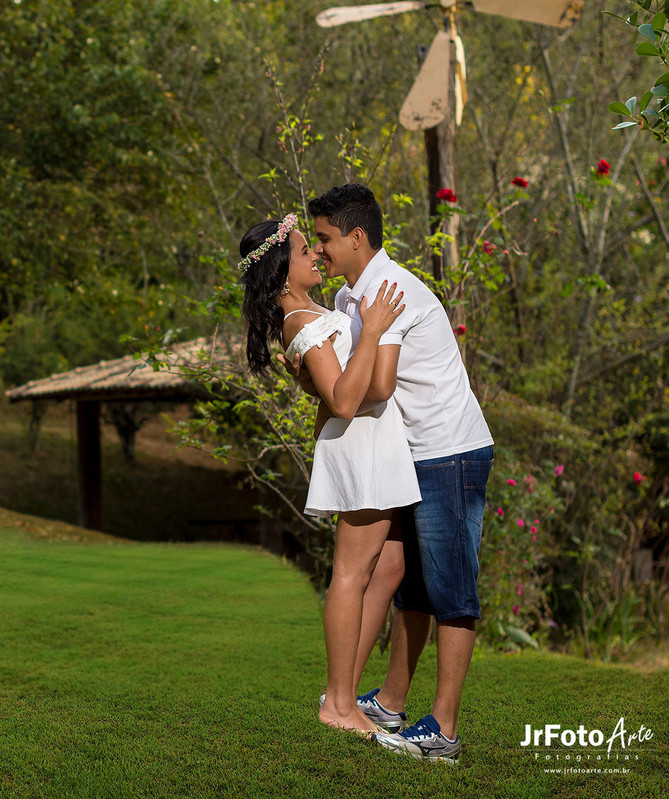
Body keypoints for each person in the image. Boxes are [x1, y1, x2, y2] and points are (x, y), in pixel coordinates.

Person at [297, 183, 495, 763]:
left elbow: (376, 387)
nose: (322, 248)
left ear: (357, 237)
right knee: (408, 582)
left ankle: (444, 731)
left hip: (449, 451)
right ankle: (388, 700)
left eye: (327, 238)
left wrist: (333, 388)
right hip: (407, 456)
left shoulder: (394, 292)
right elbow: (340, 381)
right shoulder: (345, 298)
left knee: (450, 589)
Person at [237, 213, 419, 736]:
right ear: (280, 270)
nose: (316, 254)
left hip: (372, 444)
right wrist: (375, 331)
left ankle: (348, 697)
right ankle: (338, 704)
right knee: (350, 574)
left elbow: (327, 392)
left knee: (388, 569)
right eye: (303, 250)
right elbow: (342, 400)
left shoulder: (316, 310)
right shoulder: (300, 323)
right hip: (358, 447)